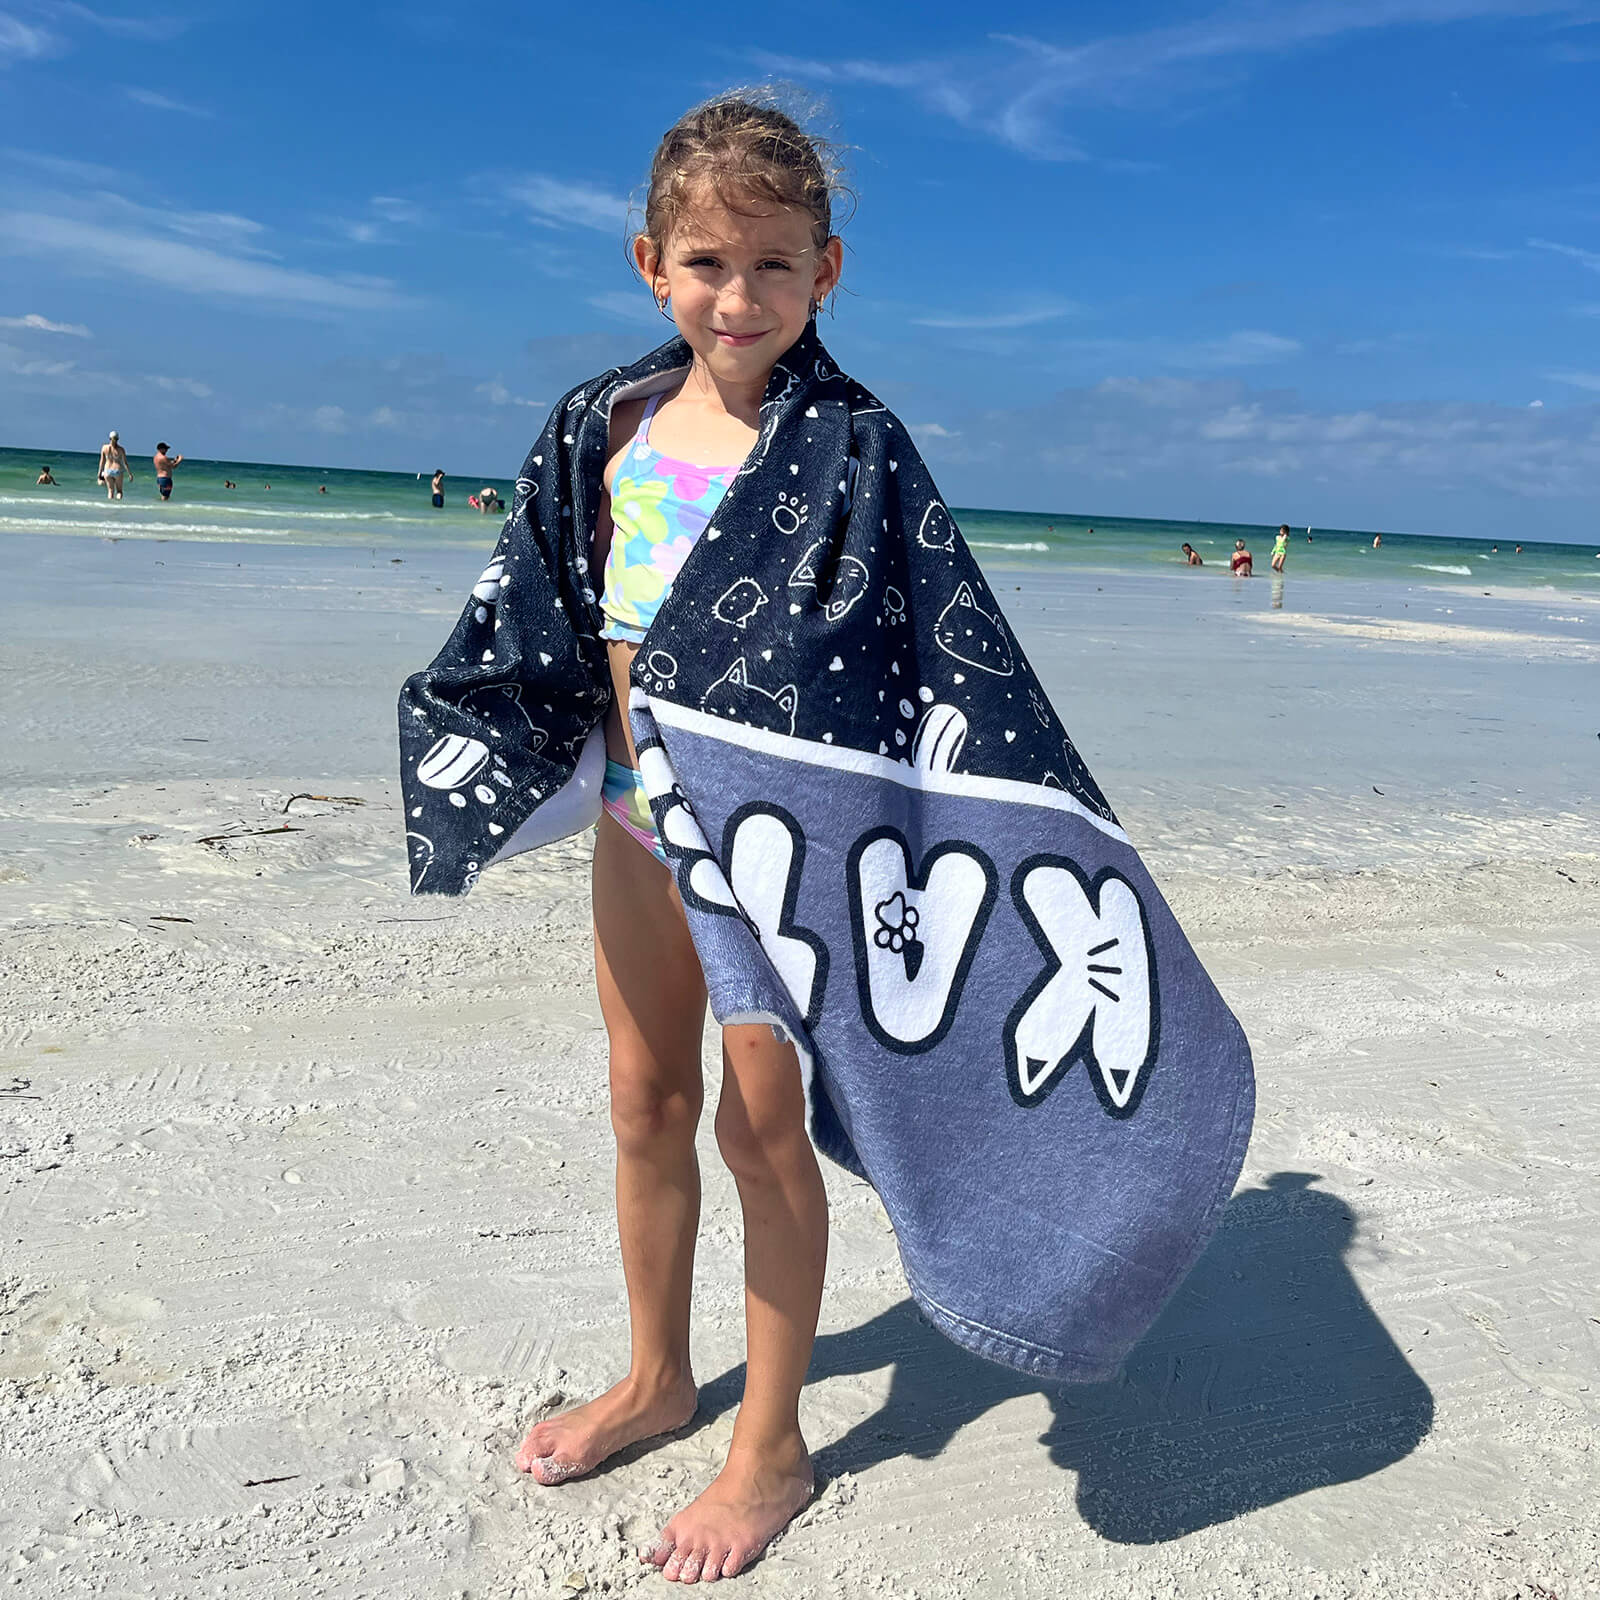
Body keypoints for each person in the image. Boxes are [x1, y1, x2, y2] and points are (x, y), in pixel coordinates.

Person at [97, 431, 129, 500]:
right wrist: (130, 474)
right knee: (119, 491)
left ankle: (110, 505)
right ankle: (118, 504)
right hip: (118, 470)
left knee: (110, 490)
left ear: (109, 438)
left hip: (107, 471)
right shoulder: (121, 449)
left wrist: (99, 473)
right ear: (118, 439)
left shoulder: (104, 447)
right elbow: (125, 463)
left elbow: (102, 462)